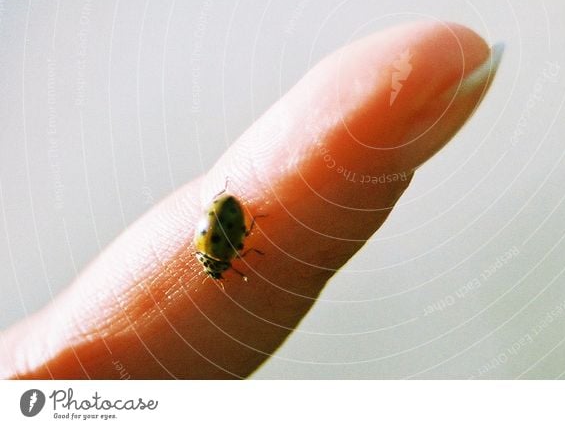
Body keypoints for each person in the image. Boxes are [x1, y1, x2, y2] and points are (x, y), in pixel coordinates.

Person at [1, 21, 501, 378]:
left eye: (218, 267)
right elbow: (223, 233)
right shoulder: (212, 249)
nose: (223, 270)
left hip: (229, 208)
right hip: (228, 209)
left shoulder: (215, 249)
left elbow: (225, 234)